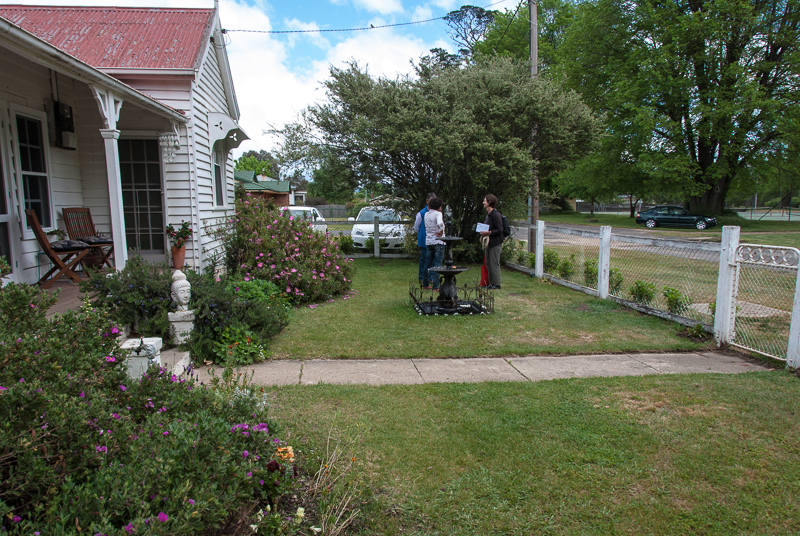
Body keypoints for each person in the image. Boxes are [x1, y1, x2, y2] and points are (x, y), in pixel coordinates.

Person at [480, 194, 502, 289]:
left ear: (489, 202)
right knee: (488, 263)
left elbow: (500, 229)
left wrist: (488, 232)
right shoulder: (488, 215)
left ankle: (497, 284)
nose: (483, 202)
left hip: (495, 242)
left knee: (494, 263)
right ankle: (490, 283)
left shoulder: (496, 215)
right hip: (489, 242)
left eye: (485, 201)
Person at [413, 192, 436, 287]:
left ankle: (431, 277)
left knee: (433, 259)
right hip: (424, 240)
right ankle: (422, 277)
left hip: (433, 240)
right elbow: (416, 227)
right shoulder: (421, 213)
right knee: (424, 259)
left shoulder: (436, 213)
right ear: (427, 201)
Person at [424, 197, 445, 290]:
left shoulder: (426, 214)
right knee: (437, 264)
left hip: (429, 241)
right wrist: (441, 231)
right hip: (438, 241)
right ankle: (436, 286)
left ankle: (425, 284)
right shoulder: (438, 214)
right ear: (439, 206)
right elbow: (440, 223)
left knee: (427, 263)